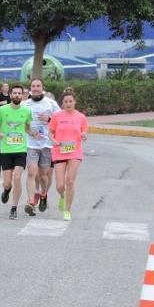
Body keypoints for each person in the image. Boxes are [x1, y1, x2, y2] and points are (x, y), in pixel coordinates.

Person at [0, 85, 37, 220]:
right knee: (7, 183)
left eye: (19, 93)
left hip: (20, 150)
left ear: (22, 95)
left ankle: (14, 207)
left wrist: (33, 133)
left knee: (17, 177)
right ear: (11, 95)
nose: (17, 95)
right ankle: (6, 190)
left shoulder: (26, 111)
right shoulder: (2, 110)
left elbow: (28, 128)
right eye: (15, 93)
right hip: (6, 150)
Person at [49, 91, 89, 221]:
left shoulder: (81, 117)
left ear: (74, 102)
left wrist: (84, 135)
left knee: (70, 181)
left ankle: (67, 210)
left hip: (74, 152)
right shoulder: (56, 116)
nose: (68, 104)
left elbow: (84, 133)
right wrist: (52, 140)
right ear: (62, 103)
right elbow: (50, 132)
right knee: (60, 185)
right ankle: (62, 196)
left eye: (70, 101)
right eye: (65, 101)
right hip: (59, 151)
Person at [23, 78, 61, 213]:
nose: (35, 88)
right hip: (31, 143)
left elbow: (61, 120)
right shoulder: (25, 104)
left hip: (47, 144)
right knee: (32, 172)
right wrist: (30, 132)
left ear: (42, 87)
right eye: (33, 86)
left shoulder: (51, 104)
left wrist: (49, 119)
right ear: (30, 88)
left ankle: (43, 195)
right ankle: (31, 201)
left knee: (44, 175)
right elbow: (21, 123)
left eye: (38, 86)